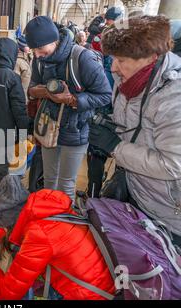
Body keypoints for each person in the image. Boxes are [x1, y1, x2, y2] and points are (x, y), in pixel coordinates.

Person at [89, 15, 181, 245]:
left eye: (120, 59)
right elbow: (133, 125)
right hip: (136, 193)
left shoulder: (174, 98)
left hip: (168, 215)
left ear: (151, 57)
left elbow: (172, 165)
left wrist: (115, 147)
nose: (114, 67)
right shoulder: (129, 78)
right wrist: (109, 125)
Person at [26, 16, 112, 203]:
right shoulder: (39, 60)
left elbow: (105, 95)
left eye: (40, 49)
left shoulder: (82, 58)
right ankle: (48, 222)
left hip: (76, 130)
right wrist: (47, 92)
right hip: (49, 128)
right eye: (33, 50)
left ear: (54, 40)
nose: (37, 54)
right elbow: (31, 88)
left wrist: (72, 100)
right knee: (49, 180)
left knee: (65, 184)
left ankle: (63, 227)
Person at [0, 188, 115, 300]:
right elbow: (17, 225)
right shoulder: (43, 207)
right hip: (101, 281)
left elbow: (8, 293)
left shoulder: (38, 236)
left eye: (3, 225)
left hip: (88, 294)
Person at [0, 38, 29, 197]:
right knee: (3, 160)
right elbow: (19, 108)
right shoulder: (12, 77)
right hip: (8, 126)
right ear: (12, 55)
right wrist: (24, 130)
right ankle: (2, 190)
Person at [86, 7, 123, 198]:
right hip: (106, 115)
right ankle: (93, 194)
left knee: (97, 157)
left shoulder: (111, 66)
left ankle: (94, 196)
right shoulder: (111, 63)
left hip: (106, 115)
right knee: (96, 158)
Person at [14, 35, 32, 104]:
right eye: (28, 46)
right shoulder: (18, 62)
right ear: (22, 47)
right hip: (21, 99)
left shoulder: (29, 57)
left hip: (28, 98)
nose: (30, 48)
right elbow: (15, 84)